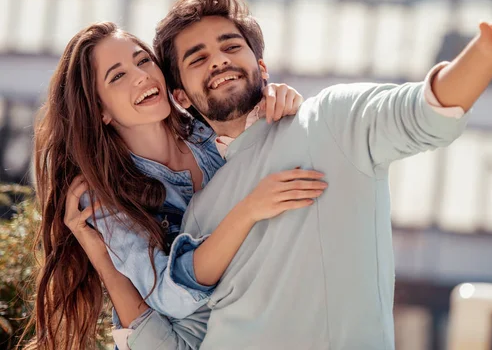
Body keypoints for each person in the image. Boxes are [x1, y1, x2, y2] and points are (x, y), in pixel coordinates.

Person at [115, 0, 492, 350]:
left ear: (261, 67)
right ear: (182, 97)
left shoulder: (332, 119)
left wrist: (488, 48)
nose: (218, 60)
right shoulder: (201, 210)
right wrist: (102, 256)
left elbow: (425, 111)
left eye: (231, 45)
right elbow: (188, 342)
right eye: (197, 58)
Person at [26, 21, 325, 350]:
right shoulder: (102, 196)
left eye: (142, 61)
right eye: (118, 76)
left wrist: (279, 99)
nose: (141, 75)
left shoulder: (207, 128)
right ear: (100, 110)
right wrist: (249, 210)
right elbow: (172, 296)